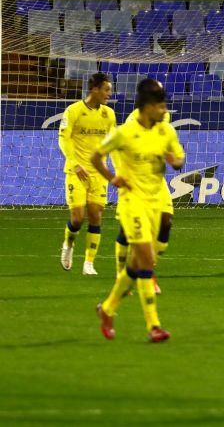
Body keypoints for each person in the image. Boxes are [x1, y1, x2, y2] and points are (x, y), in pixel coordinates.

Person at [91, 79, 185, 342]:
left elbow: (179, 159)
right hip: (133, 202)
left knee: (137, 264)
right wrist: (112, 177)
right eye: (161, 106)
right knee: (145, 259)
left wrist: (175, 161)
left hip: (156, 201)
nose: (165, 110)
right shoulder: (124, 132)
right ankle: (154, 325)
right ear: (148, 107)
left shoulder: (166, 131)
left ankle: (107, 308)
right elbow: (95, 157)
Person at [113, 82, 176, 295]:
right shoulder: (132, 123)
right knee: (127, 231)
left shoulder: (163, 117)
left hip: (156, 182)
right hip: (135, 183)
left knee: (166, 222)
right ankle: (124, 273)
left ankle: (146, 267)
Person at [58, 72, 116, 275]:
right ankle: (68, 243)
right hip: (77, 171)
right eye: (107, 89)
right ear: (94, 89)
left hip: (98, 173)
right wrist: (74, 164)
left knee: (96, 215)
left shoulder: (109, 114)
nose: (110, 94)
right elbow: (64, 139)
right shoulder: (73, 110)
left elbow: (112, 144)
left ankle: (89, 263)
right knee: (77, 218)